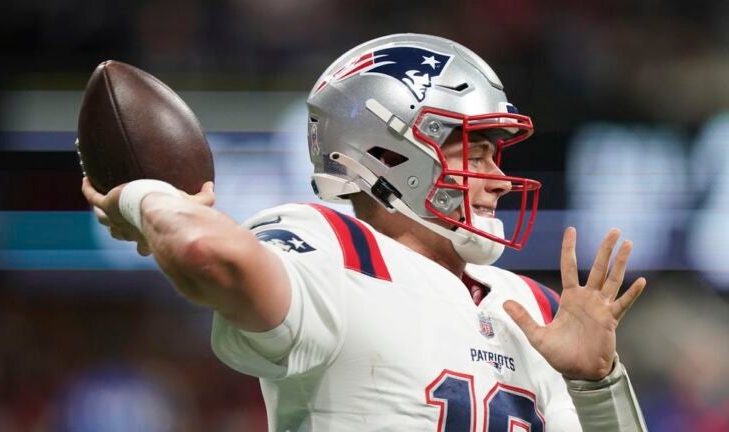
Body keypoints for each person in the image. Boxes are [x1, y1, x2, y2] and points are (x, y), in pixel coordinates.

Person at [82, 33, 648, 431]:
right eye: (476, 153)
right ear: (391, 152)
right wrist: (145, 194)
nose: (498, 180)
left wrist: (600, 385)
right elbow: (203, 250)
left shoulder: (532, 306)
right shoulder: (331, 246)